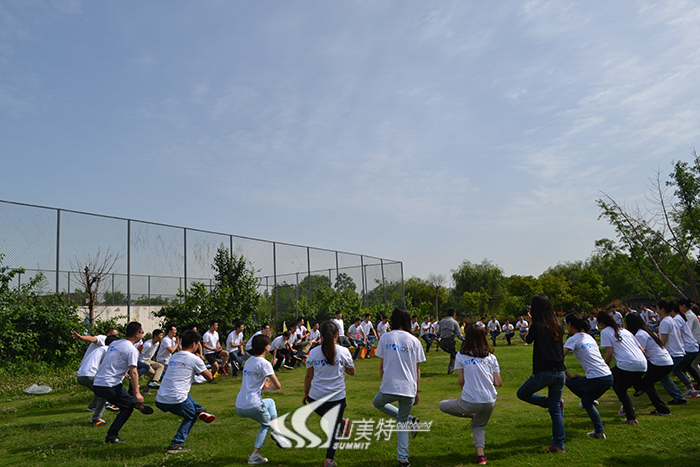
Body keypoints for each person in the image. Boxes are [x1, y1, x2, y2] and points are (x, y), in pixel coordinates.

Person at [439, 324, 501, 466]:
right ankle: (481, 456)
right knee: (478, 425)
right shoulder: (491, 357)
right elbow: (498, 383)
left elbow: (461, 382)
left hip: (471, 401)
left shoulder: (461, 356)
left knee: (442, 405)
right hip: (490, 401)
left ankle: (471, 414)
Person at [373, 307, 425, 467]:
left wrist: (384, 382)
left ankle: (410, 420)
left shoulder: (385, 337)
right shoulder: (414, 340)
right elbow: (417, 369)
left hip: (389, 386)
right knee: (402, 421)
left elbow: (381, 365)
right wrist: (416, 391)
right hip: (409, 388)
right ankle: (403, 459)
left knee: (377, 403)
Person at [516, 295, 565, 453]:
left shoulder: (537, 325)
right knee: (555, 411)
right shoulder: (558, 324)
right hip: (560, 371)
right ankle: (559, 445)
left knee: (522, 393)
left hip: (544, 371)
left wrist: (531, 322)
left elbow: (528, 340)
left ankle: (550, 403)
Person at [303, 321, 355, 467]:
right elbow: (352, 372)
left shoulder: (313, 352)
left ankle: (329, 458)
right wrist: (341, 366)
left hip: (316, 396)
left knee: (333, 425)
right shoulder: (344, 352)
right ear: (337, 335)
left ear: (321, 335)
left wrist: (306, 393)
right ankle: (330, 459)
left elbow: (309, 376)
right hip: (337, 397)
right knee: (335, 427)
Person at [92, 321, 154, 444]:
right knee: (127, 408)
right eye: (142, 332)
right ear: (137, 334)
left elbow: (106, 360)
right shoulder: (131, 350)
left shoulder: (115, 343)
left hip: (98, 383)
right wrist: (137, 393)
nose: (142, 335)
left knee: (125, 402)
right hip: (110, 385)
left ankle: (135, 404)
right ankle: (111, 437)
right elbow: (134, 372)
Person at [156, 330, 216, 454]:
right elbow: (210, 378)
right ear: (194, 344)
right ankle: (176, 444)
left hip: (160, 398)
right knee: (191, 416)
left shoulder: (174, 356)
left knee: (184, 393)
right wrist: (214, 368)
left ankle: (200, 410)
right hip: (176, 399)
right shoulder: (195, 359)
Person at [236, 333, 287, 465]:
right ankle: (254, 456)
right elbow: (278, 386)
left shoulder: (249, 361)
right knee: (265, 424)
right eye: (269, 344)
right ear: (266, 347)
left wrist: (263, 385)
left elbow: (255, 378)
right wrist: (266, 389)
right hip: (253, 404)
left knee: (270, 402)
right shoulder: (265, 363)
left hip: (239, 404)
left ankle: (277, 431)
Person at [562, 313, 613, 439]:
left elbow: (558, 358)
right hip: (608, 376)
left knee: (566, 381)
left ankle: (588, 399)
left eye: (565, 323)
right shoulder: (589, 337)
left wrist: (568, 374)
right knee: (587, 401)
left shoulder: (573, 339)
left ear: (569, 324)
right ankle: (599, 432)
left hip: (596, 379)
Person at [597, 311, 647, 425]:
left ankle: (629, 414)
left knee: (613, 382)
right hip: (642, 364)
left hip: (627, 364)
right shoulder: (625, 331)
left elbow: (609, 353)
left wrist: (604, 367)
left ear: (601, 323)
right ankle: (630, 402)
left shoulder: (605, 332)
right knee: (620, 386)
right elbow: (642, 350)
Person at [626, 312, 673, 416]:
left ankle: (662, 409)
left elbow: (640, 353)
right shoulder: (648, 331)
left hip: (658, 363)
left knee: (645, 382)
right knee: (646, 382)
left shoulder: (640, 335)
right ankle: (640, 388)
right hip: (666, 361)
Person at [72, 327, 119, 418]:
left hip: (82, 374)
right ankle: (99, 415)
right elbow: (93, 339)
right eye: (115, 335)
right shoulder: (105, 343)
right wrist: (81, 337)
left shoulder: (100, 349)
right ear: (109, 335)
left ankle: (93, 406)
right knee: (104, 390)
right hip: (89, 374)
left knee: (99, 390)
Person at [657, 301, 690, 404]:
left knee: (663, 376)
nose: (656, 311)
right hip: (679, 351)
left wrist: (658, 351)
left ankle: (678, 397)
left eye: (657, 308)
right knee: (666, 375)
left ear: (662, 309)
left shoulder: (665, 322)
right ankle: (680, 395)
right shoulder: (672, 320)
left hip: (672, 353)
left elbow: (663, 340)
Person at [672, 300, 700, 395]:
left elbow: (687, 330)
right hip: (693, 343)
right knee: (689, 365)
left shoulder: (689, 316)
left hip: (694, 343)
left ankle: (695, 384)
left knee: (692, 365)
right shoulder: (685, 316)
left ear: (683, 306)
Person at [439, 308, 461, 374]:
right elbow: (458, 335)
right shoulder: (454, 322)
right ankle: (451, 370)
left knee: (454, 354)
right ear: (454, 314)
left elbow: (439, 331)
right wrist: (464, 339)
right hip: (450, 341)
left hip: (442, 342)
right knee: (454, 355)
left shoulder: (442, 321)